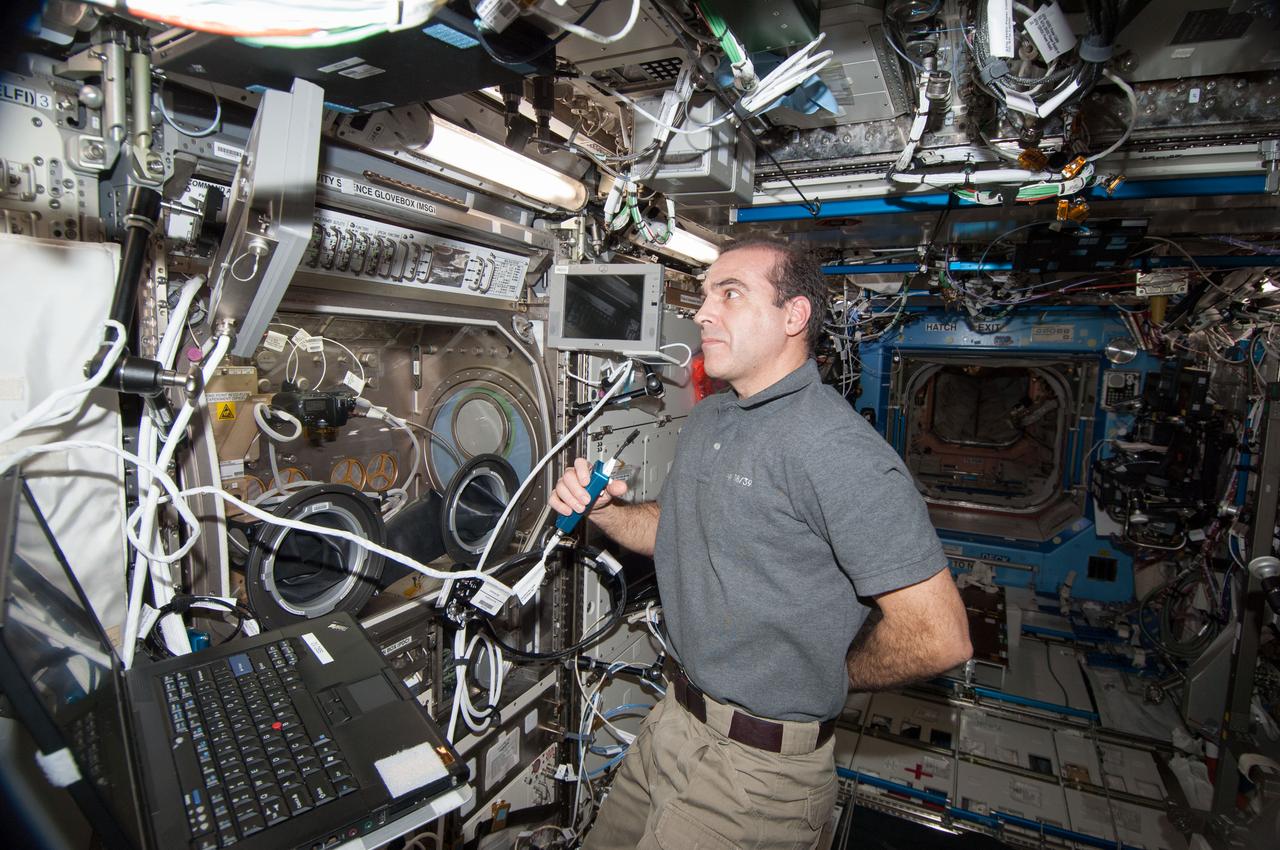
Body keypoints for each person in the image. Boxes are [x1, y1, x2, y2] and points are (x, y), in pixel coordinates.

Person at [550, 239, 972, 850]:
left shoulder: (837, 451)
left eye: (730, 293)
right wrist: (607, 513)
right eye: (704, 295)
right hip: (672, 722)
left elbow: (939, 637)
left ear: (794, 316)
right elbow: (673, 527)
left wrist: (826, 674)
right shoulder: (710, 419)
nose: (702, 312)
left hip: (757, 776)